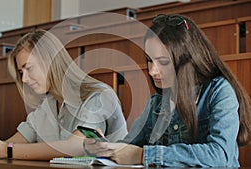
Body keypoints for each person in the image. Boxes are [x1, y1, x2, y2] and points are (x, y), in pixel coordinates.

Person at [83, 14, 251, 167]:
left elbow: (220, 155)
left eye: (163, 62)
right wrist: (105, 148)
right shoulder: (156, 103)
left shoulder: (219, 91)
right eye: (149, 60)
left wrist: (144, 155)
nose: (152, 71)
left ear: (187, 61)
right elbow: (128, 147)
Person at [0, 29, 128, 160]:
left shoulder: (99, 96)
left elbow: (76, 146)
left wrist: (5, 150)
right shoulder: (46, 105)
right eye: (20, 72)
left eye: (29, 68)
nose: (24, 79)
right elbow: (11, 144)